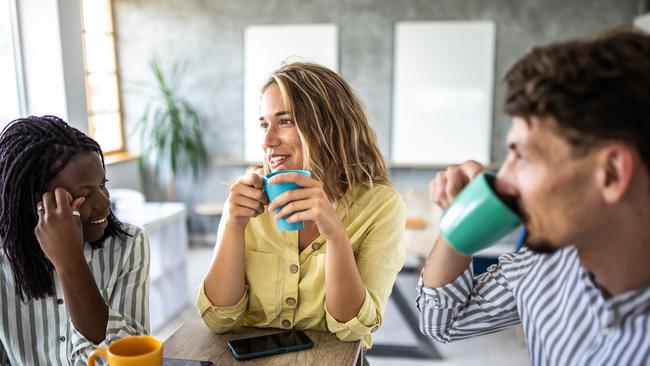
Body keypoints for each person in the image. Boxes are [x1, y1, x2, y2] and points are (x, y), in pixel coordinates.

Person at [417, 29, 650, 365]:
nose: (503, 180)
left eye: (522, 157)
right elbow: (443, 322)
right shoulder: (545, 263)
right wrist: (460, 219)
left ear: (612, 173)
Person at [198, 62, 405, 352]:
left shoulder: (381, 206)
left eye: (285, 121)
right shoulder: (249, 194)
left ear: (328, 126)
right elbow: (219, 319)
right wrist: (232, 225)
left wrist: (335, 235)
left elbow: (352, 328)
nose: (267, 141)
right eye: (264, 124)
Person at [0, 116, 150, 365]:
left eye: (103, 184)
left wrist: (70, 262)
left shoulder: (129, 245)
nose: (104, 202)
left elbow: (131, 360)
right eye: (83, 195)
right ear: (35, 203)